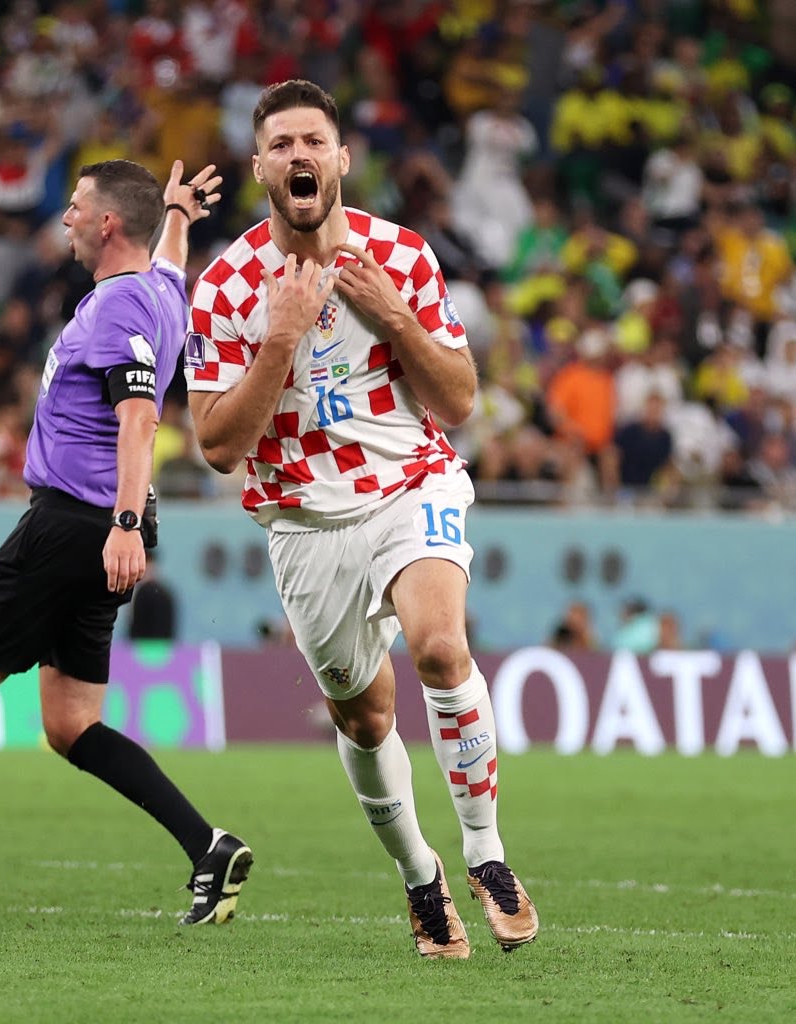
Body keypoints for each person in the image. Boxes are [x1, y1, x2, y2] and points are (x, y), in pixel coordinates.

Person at [0, 158, 252, 927]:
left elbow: (139, 420)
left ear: (106, 225)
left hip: (74, 525)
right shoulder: (159, 291)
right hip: (102, 527)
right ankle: (207, 846)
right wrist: (180, 215)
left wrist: (124, 524)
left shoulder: (112, 312)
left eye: (75, 206)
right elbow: (169, 260)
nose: (62, 218)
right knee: (69, 722)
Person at [185, 79, 537, 960]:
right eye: (281, 144)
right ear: (259, 164)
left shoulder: (402, 257)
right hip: (304, 524)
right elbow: (219, 447)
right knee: (365, 718)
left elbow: (456, 401)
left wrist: (393, 317)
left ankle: (487, 857)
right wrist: (280, 339)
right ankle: (420, 877)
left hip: (408, 485)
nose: (299, 156)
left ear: (341, 158)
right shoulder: (227, 287)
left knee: (440, 647)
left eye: (314, 141)